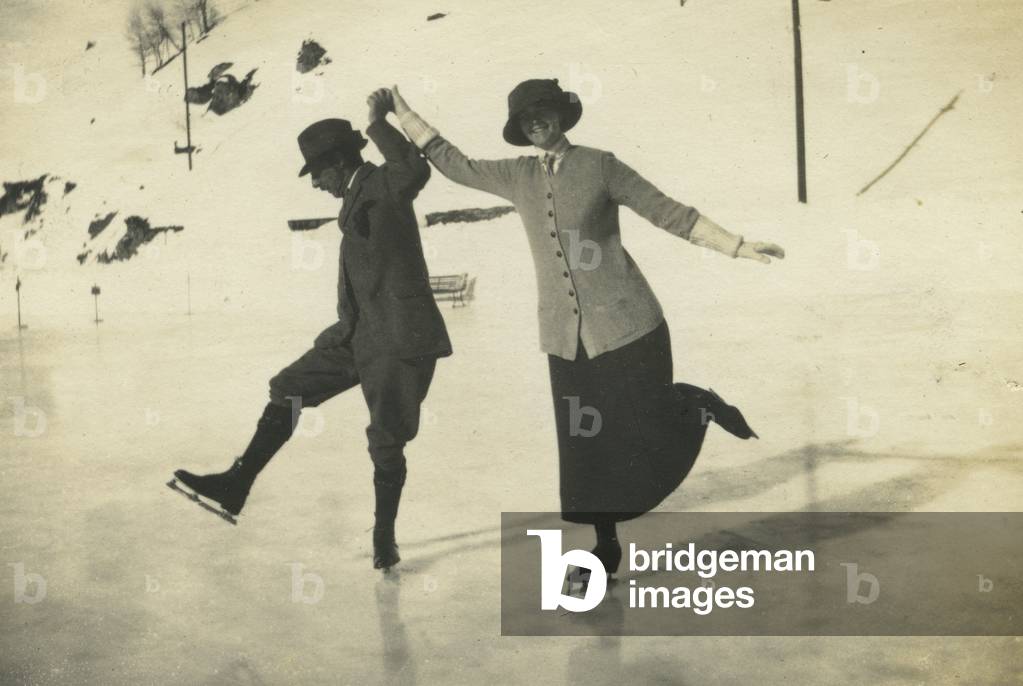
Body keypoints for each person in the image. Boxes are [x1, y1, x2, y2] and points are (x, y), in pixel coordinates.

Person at [388, 79, 784, 581]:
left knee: (643, 426)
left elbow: (667, 211)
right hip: (565, 336)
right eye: (526, 117)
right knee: (586, 448)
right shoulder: (517, 175)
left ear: (560, 115)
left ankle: (696, 405)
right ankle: (604, 547)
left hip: (627, 324)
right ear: (519, 129)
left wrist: (737, 245)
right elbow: (454, 162)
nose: (537, 122)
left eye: (543, 112)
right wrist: (402, 111)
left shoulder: (601, 165)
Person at [169, 90, 451, 571]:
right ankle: (237, 484)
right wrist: (339, 333)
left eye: (318, 172)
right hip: (358, 337)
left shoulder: (384, 184)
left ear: (340, 161)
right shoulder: (359, 197)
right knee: (288, 389)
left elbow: (416, 168)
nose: (316, 183)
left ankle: (384, 538)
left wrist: (381, 120)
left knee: (386, 440)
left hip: (402, 340)